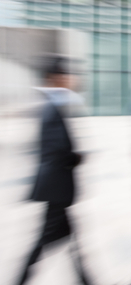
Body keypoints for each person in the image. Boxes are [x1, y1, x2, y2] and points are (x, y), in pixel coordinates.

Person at [17, 55, 91, 285]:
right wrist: (76, 157)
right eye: (66, 75)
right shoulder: (51, 108)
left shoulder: (52, 105)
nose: (70, 79)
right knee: (45, 241)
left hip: (55, 187)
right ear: (55, 78)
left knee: (69, 239)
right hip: (56, 187)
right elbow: (58, 151)